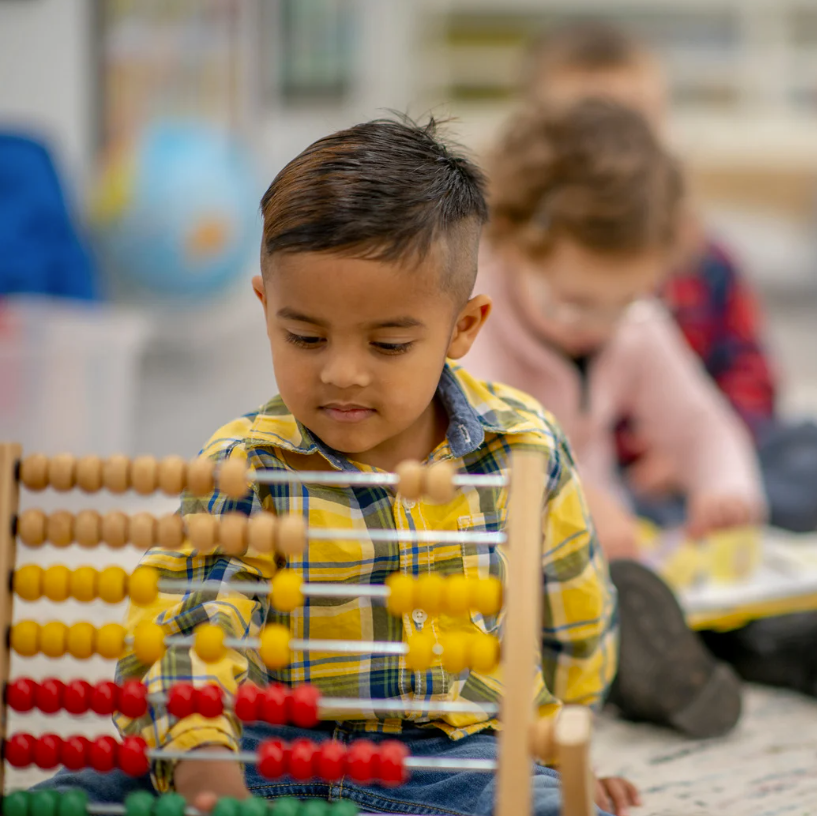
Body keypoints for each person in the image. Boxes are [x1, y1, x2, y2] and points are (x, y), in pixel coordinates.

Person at [33, 116, 630, 816]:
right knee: (82, 796)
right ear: (266, 309)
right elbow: (193, 622)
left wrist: (563, 750)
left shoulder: (523, 449)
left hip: (450, 759)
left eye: (387, 345)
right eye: (305, 336)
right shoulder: (246, 465)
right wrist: (203, 762)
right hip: (263, 748)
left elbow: (570, 624)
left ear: (462, 328)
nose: (341, 373)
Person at [460, 98, 817, 741]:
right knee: (600, 620)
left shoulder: (634, 328)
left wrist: (723, 491)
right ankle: (658, 677)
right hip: (507, 574)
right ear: (512, 242)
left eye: (625, 299)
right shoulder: (473, 325)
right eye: (573, 303)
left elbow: (701, 426)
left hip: (623, 543)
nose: (598, 326)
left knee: (714, 579)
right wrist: (570, 509)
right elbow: (476, 456)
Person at [520, 20, 817, 534]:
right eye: (588, 128)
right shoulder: (508, 272)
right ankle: (666, 533)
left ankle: (692, 528)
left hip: (680, 464)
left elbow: (745, 377)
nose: (613, 153)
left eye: (635, 124)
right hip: (571, 487)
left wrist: (699, 471)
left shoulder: (704, 261)